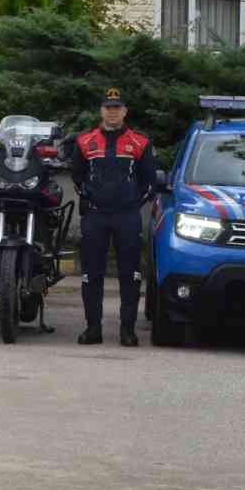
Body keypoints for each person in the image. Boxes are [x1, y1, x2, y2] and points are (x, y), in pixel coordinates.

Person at [67, 88, 156, 347]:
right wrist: (89, 196)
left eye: (117, 108)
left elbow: (149, 181)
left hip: (127, 216)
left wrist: (132, 203)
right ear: (101, 111)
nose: (112, 112)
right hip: (95, 216)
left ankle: (127, 331)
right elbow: (76, 175)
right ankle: (93, 329)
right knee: (91, 274)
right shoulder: (84, 141)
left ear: (125, 112)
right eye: (108, 107)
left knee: (130, 275)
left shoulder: (140, 142)